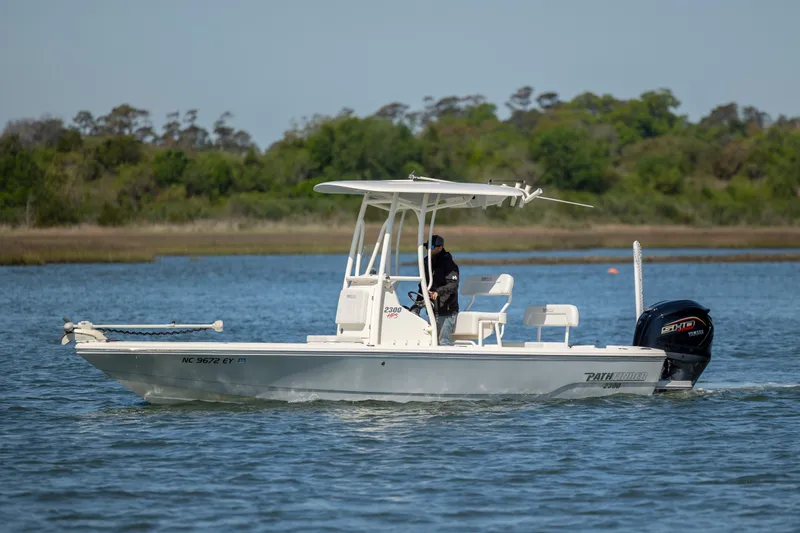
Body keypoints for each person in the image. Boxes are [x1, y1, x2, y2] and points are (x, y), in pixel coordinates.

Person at [415, 234, 459, 346]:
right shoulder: (426, 262)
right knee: (432, 341)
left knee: (443, 341)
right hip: (433, 310)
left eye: (432, 246)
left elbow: (453, 285)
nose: (429, 249)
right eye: (427, 246)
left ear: (440, 247)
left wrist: (438, 292)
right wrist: (417, 305)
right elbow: (423, 285)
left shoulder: (449, 264)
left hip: (447, 310)